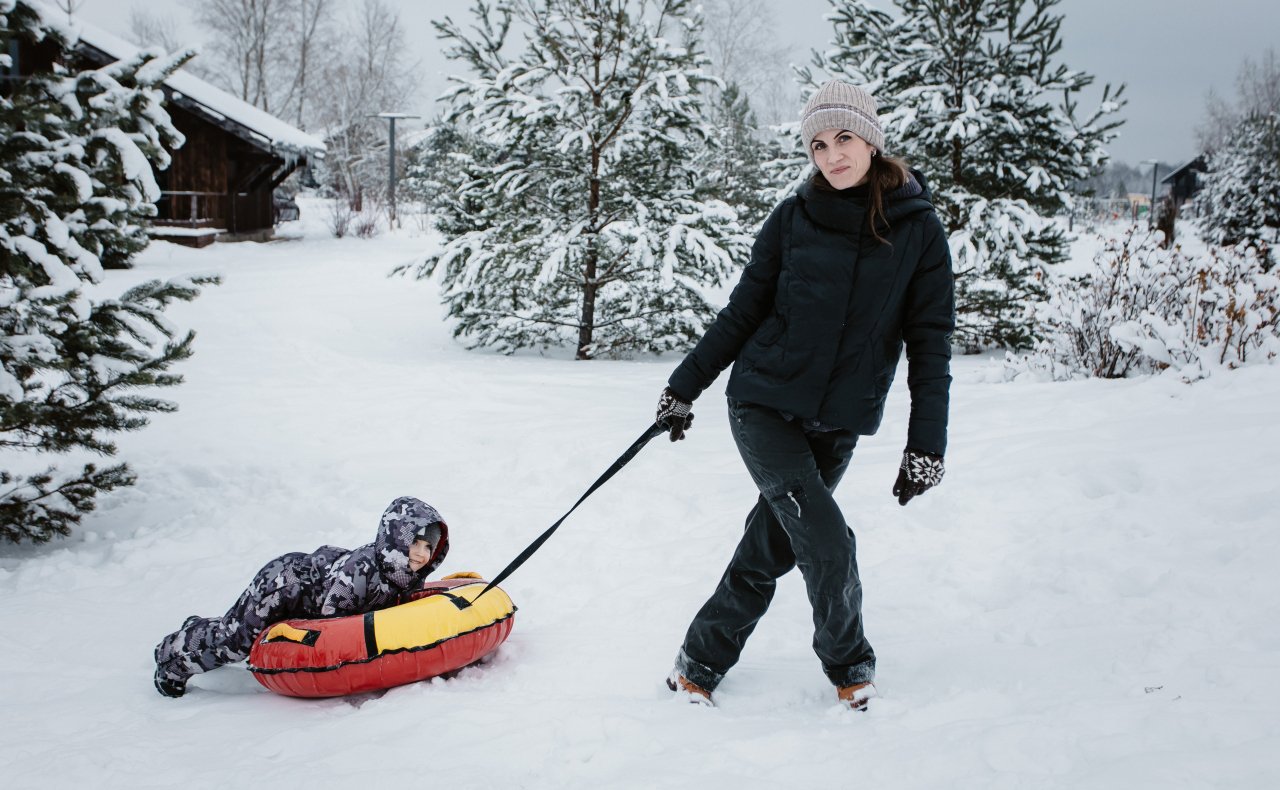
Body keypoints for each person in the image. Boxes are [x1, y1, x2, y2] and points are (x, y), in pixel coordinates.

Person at [655, 80, 954, 710]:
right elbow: (742, 313)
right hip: (762, 406)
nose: (831, 155)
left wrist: (926, 445)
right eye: (818, 144)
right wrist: (683, 387)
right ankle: (851, 669)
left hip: (838, 423)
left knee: (770, 546)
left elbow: (931, 345)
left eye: (843, 138)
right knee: (826, 540)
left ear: (870, 140)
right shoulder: (792, 218)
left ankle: (696, 664)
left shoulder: (919, 231)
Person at [153, 496, 449, 697]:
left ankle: (196, 627)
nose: (421, 554)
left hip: (308, 599)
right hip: (285, 585)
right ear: (397, 539)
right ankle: (172, 658)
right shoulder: (360, 570)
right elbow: (334, 625)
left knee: (235, 625)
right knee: (235, 641)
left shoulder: (406, 573)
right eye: (415, 543)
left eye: (428, 547)